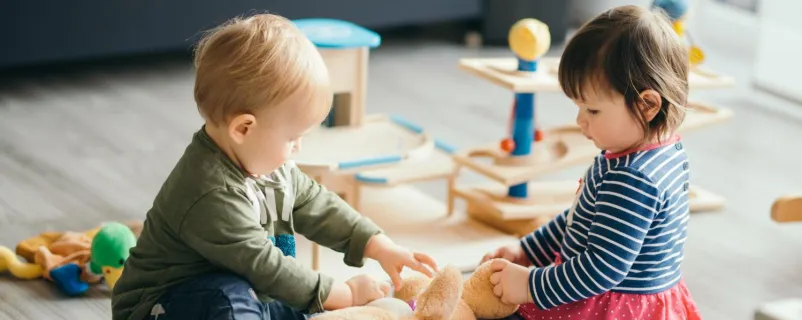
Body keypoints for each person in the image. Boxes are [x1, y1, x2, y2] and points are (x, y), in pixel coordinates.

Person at [111, 13, 438, 320]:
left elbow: (318, 205)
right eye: (293, 137)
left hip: (248, 287)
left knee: (288, 303)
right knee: (232, 299)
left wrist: (379, 246)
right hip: (161, 305)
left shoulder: (270, 166)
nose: (298, 147)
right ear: (243, 129)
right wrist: (345, 294)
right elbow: (265, 266)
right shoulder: (209, 192)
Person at [483, 5, 702, 320]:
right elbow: (581, 220)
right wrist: (528, 250)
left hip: (607, 309)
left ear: (648, 104)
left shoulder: (632, 178)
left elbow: (599, 269)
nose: (580, 121)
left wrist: (530, 285)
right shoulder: (656, 152)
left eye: (592, 111)